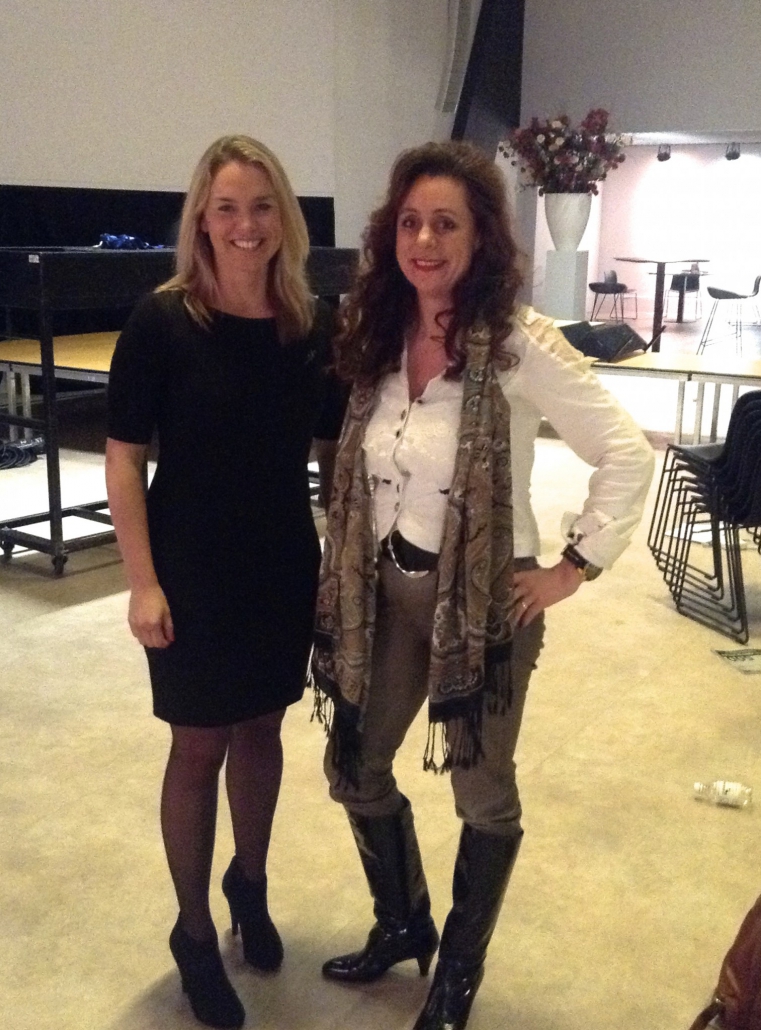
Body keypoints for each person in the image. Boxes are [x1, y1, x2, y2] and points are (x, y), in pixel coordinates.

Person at [311, 140, 655, 1030]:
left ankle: (456, 976)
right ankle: (403, 923)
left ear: (480, 237)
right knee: (355, 766)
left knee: (480, 791)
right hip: (385, 591)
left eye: (446, 224)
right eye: (410, 223)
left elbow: (625, 452)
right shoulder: (378, 332)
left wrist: (572, 568)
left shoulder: (517, 343)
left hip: (484, 604)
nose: (425, 241)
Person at [105, 135, 346, 1030]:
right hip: (190, 567)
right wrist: (142, 583)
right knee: (199, 742)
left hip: (280, 561)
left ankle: (250, 883)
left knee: (262, 728)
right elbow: (123, 459)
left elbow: (332, 450)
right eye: (226, 209)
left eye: (261, 206)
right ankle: (195, 932)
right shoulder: (162, 319)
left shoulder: (310, 325)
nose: (246, 225)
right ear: (201, 221)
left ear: (284, 217)